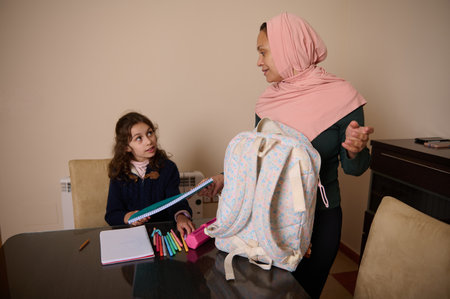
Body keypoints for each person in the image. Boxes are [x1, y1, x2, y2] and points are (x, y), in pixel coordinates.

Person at [200, 12, 374, 298]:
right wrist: (224, 177)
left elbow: (355, 170)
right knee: (264, 292)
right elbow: (258, 161)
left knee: (304, 292)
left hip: (321, 219)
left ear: (288, 49)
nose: (259, 62)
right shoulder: (266, 103)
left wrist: (356, 151)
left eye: (263, 52)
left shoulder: (343, 98)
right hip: (269, 218)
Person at [105, 112, 195, 236]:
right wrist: (128, 217)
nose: (149, 141)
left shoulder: (168, 168)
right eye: (138, 138)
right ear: (126, 147)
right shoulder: (119, 173)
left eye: (150, 133)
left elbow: (175, 201)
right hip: (132, 237)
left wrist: (181, 216)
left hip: (164, 235)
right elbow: (111, 214)